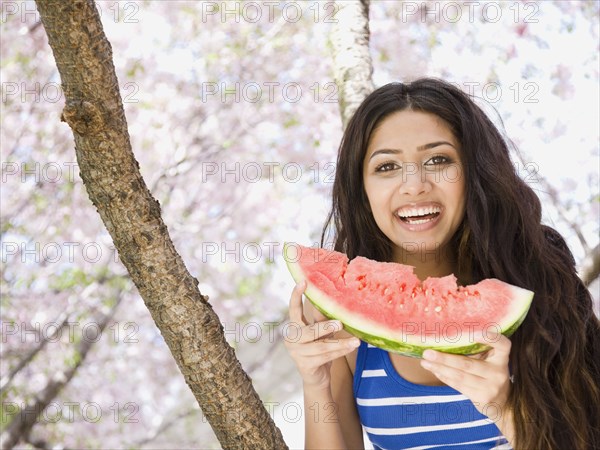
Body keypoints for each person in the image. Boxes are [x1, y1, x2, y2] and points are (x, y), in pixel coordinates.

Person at [284, 78, 600, 450]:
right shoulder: (337, 318)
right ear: (361, 187)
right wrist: (315, 382)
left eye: (438, 160)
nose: (414, 185)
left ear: (474, 173)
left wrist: (505, 409)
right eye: (386, 167)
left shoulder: (539, 284)